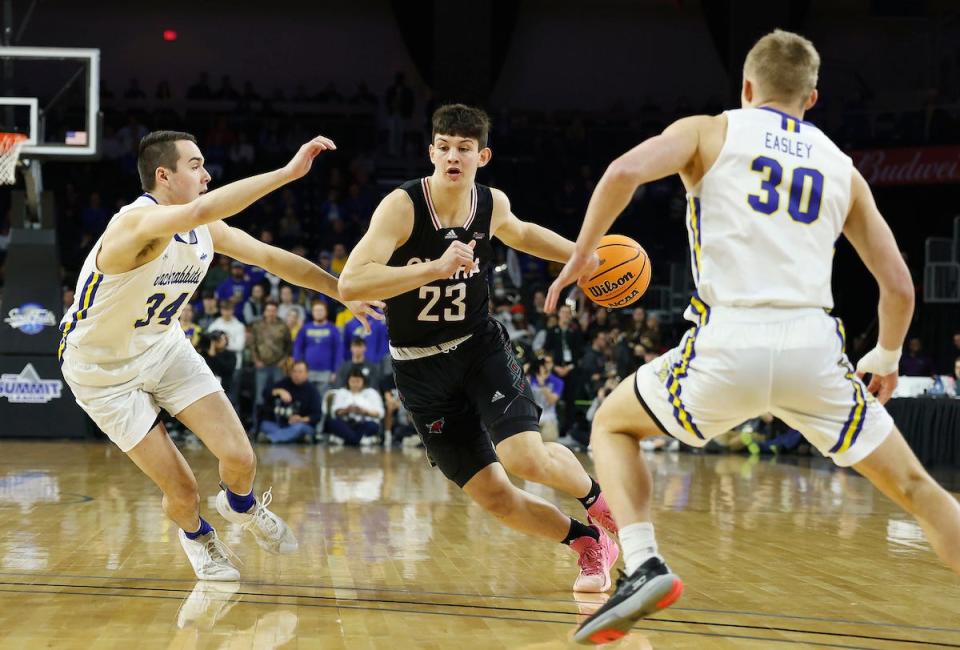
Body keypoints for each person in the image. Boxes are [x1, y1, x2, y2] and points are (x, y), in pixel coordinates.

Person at [544, 30, 960, 644]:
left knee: (612, 424)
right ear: (812, 98)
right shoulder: (842, 169)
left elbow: (622, 171)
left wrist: (581, 256)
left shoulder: (710, 131)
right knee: (922, 492)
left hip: (729, 339)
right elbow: (898, 287)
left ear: (745, 87)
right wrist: (889, 355)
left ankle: (645, 562)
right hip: (815, 350)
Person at [58, 130, 382, 581]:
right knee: (184, 490)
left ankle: (241, 507)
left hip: (161, 345)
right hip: (101, 372)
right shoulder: (133, 226)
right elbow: (200, 208)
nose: (207, 175)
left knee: (241, 458)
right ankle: (197, 537)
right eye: (196, 166)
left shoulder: (203, 229)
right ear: (163, 176)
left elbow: (273, 258)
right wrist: (288, 174)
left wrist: (341, 291)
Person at [339, 104, 619, 593]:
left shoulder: (491, 205)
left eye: (464, 149)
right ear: (430, 151)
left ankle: (598, 501)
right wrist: (432, 268)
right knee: (494, 496)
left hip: (478, 350)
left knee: (525, 458)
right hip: (420, 370)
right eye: (444, 146)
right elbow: (352, 282)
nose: (453, 156)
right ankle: (587, 543)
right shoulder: (402, 206)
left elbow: (524, 234)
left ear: (481, 156)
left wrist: (581, 254)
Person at [260, 361, 323, 443]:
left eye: (300, 372)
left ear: (307, 374)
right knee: (265, 425)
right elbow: (265, 393)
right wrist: (279, 391)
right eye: (294, 371)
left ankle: (271, 438)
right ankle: (295, 438)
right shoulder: (285, 383)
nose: (296, 375)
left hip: (302, 425)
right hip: (283, 425)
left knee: (299, 428)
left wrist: (301, 419)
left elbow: (317, 416)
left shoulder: (312, 391)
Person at [327, 366, 385, 446]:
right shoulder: (342, 392)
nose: (355, 384)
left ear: (363, 381)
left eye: (358, 381)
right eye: (352, 381)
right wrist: (346, 410)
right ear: (348, 381)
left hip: (364, 422)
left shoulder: (371, 393)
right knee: (333, 423)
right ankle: (359, 440)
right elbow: (335, 411)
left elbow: (380, 413)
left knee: (373, 426)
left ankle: (346, 440)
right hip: (346, 422)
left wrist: (365, 412)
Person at [294, 301, 340, 396]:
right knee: (307, 399)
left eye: (321, 310)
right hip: (307, 372)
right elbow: (297, 347)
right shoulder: (305, 328)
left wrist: (336, 371)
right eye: (316, 310)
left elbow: (339, 351)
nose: (318, 312)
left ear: (326, 312)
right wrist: (297, 367)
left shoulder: (333, 329)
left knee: (323, 401)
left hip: (326, 371)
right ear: (312, 312)